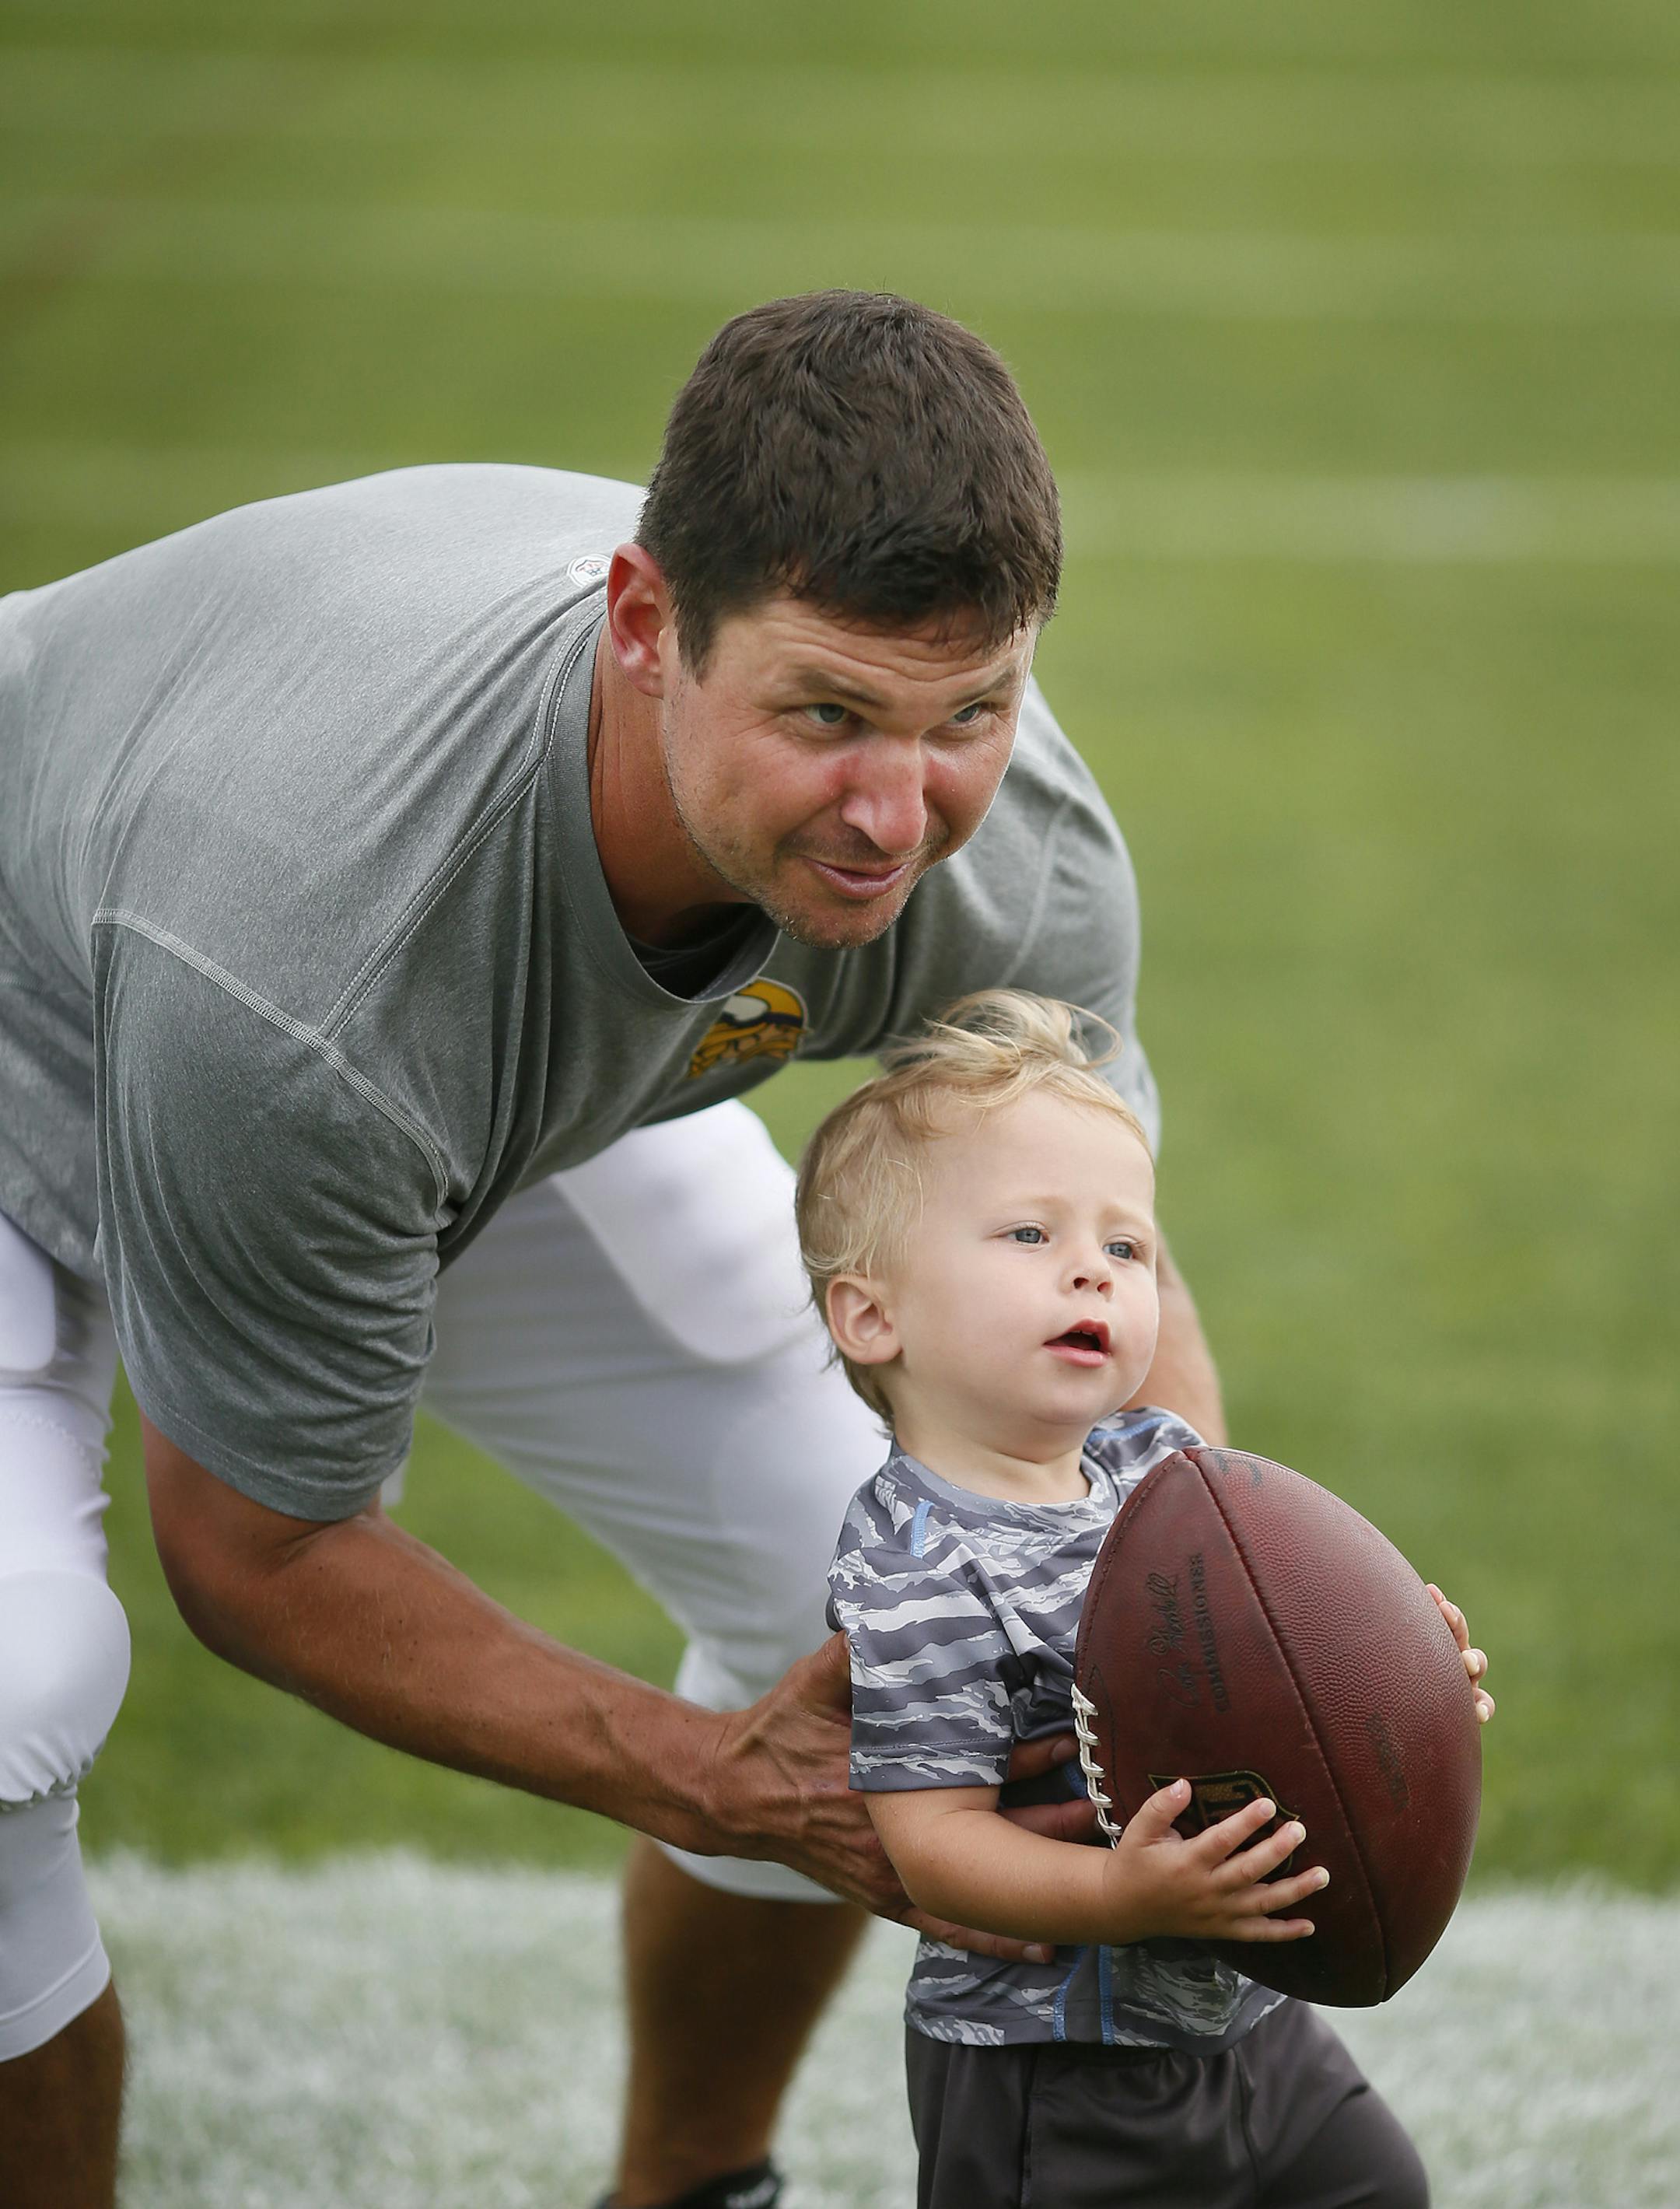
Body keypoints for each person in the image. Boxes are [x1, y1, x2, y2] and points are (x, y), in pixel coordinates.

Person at [1, 291, 1227, 2209]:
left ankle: (690, 2191)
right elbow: (257, 1552)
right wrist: (707, 1768)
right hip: (70, 1012)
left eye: (965, 714)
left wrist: (1228, 1611)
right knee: (7, 1690)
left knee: (867, 1585)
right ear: (646, 627)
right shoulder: (321, 963)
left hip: (429, 1069)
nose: (900, 813)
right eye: (825, 713)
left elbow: (1082, 1279)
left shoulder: (1004, 839)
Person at [810, 991, 1495, 2209]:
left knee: (1381, 2191)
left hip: (1249, 2018)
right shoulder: (916, 1566)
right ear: (874, 1313)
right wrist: (1117, 1898)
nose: (1094, 1267)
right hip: (1060, 2069)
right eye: (1030, 1235)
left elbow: (1277, 1658)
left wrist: (1404, 1674)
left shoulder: (1164, 1472)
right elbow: (933, 1848)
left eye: (1126, 1247)